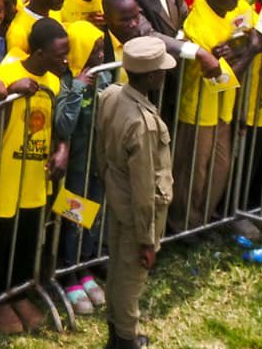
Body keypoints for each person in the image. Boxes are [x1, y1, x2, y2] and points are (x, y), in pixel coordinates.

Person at [95, 35, 175, 349]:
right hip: (137, 208)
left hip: (116, 195)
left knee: (117, 267)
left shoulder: (111, 95)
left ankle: (116, 332)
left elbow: (101, 151)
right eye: (161, 71)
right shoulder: (143, 124)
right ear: (152, 76)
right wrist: (148, 239)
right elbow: (144, 188)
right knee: (132, 276)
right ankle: (126, 339)